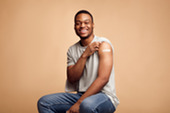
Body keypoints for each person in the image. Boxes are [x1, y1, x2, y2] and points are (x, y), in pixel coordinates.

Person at [37, 10, 119, 113]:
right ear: (74, 27)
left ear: (93, 25)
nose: (82, 26)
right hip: (81, 95)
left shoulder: (103, 44)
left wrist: (79, 103)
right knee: (44, 103)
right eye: (78, 23)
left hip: (104, 96)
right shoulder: (72, 50)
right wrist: (84, 55)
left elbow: (104, 78)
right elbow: (72, 79)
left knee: (87, 105)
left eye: (86, 22)